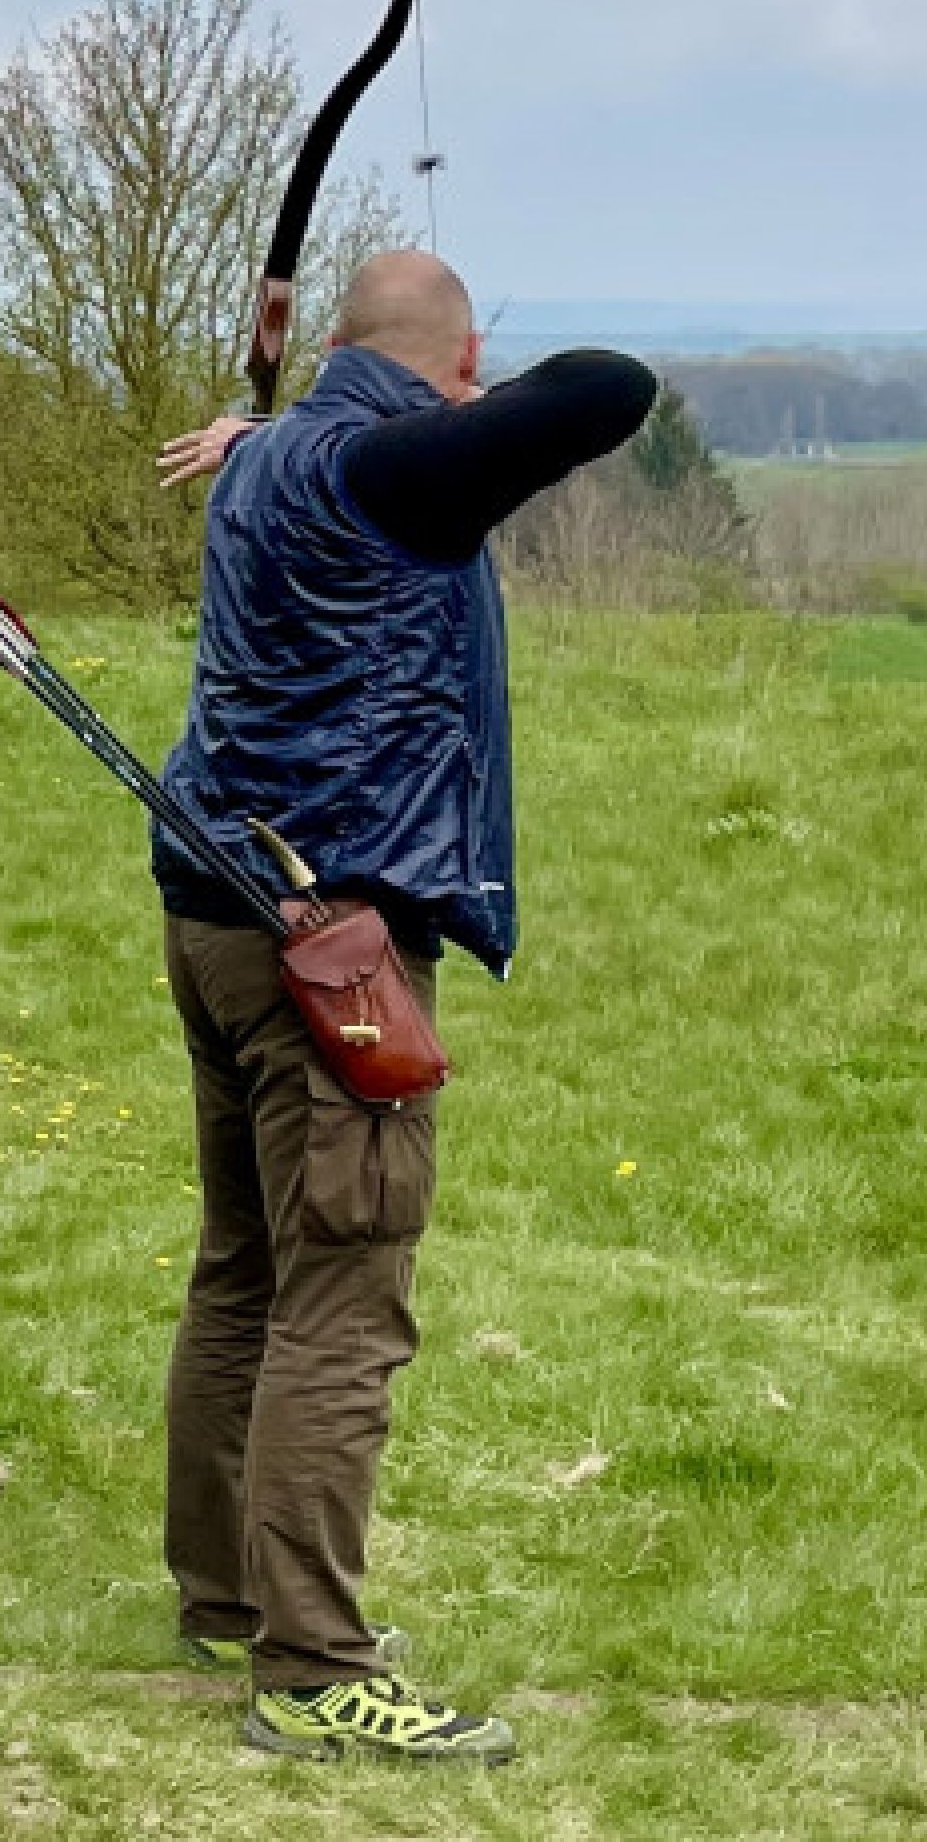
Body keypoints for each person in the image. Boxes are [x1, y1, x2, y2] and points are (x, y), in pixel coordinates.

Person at [150, 255, 654, 1765]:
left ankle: (229, 1596)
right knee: (345, 1297)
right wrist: (463, 404)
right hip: (336, 936)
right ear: (459, 362)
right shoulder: (394, 467)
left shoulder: (272, 460)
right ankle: (313, 1668)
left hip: (218, 911)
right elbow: (614, 387)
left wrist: (293, 422)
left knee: (247, 1268)